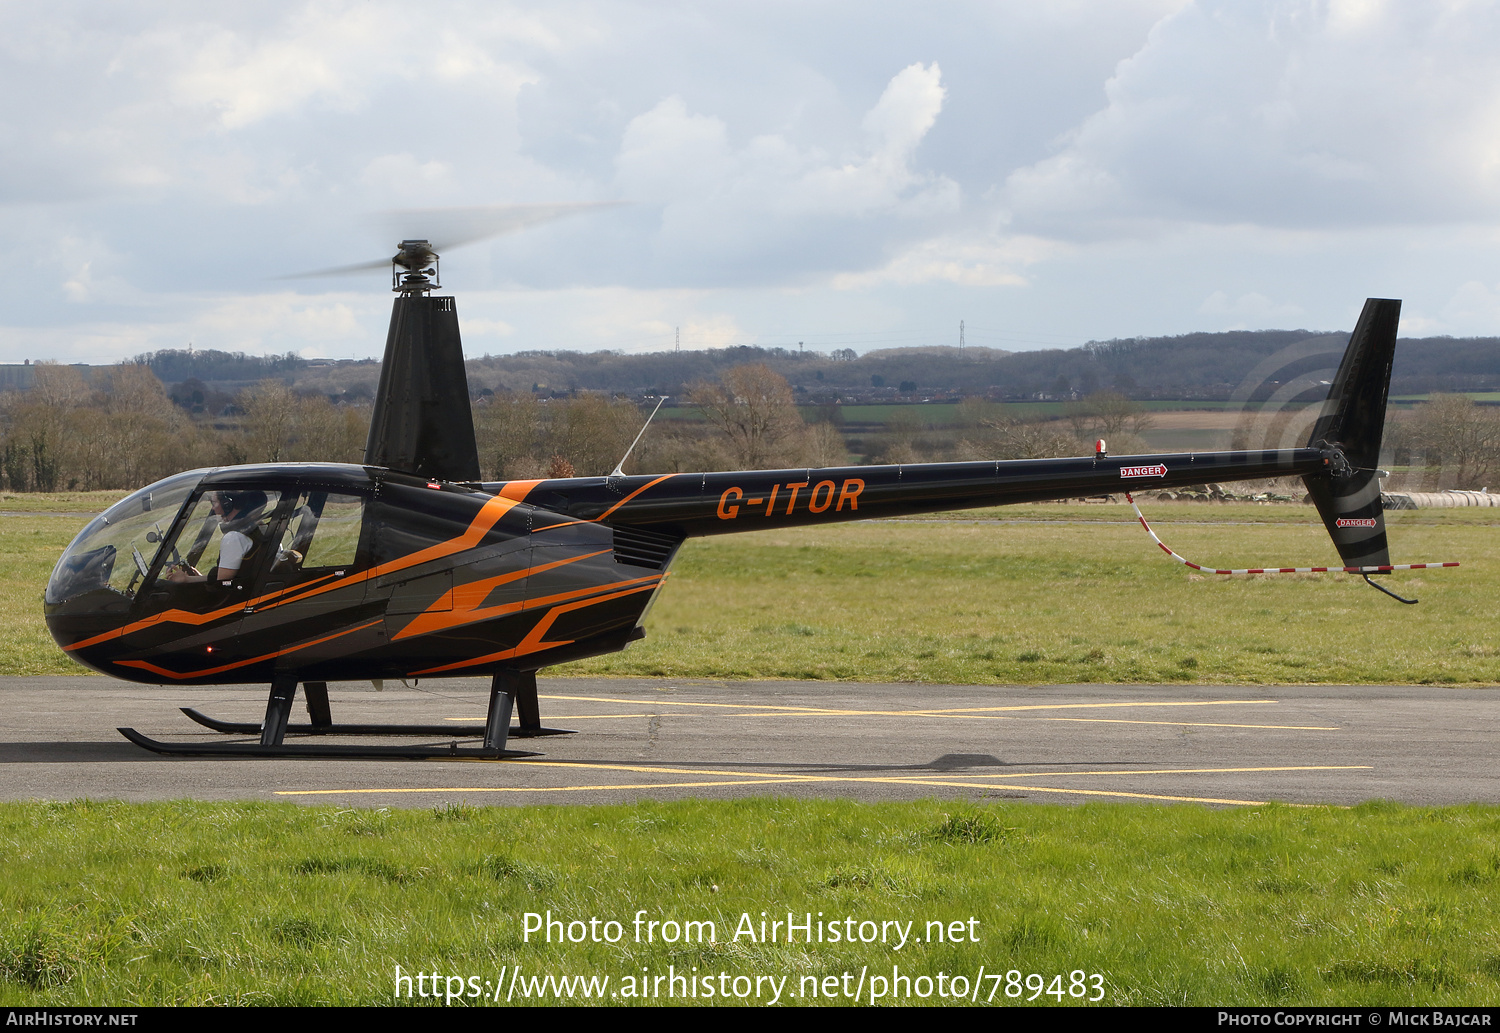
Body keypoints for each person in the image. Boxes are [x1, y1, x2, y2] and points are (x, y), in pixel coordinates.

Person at [167, 490, 268, 584]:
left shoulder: (234, 537)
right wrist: (195, 578)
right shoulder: (260, 528)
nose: (213, 508)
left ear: (227, 505)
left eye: (214, 503)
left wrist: (186, 580)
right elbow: (226, 579)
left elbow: (221, 584)